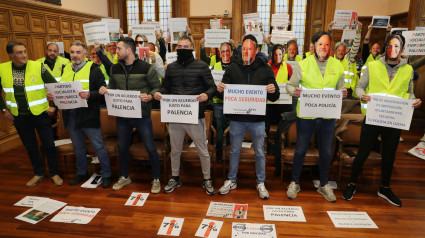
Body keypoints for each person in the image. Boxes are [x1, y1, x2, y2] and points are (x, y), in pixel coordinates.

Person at [342, 34, 422, 207]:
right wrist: (361, 95)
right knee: (362, 153)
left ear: (402, 49)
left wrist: (414, 100)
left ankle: (384, 187)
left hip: (394, 119)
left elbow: (410, 92)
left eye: (397, 47)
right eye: (390, 46)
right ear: (386, 47)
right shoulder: (373, 66)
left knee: (389, 156)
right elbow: (359, 86)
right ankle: (352, 184)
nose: (393, 50)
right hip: (374, 115)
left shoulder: (407, 69)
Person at [286, 31, 346, 202]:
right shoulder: (303, 64)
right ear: (313, 46)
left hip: (327, 115)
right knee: (301, 148)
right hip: (306, 115)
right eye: (320, 44)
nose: (324, 47)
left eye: (327, 44)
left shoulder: (337, 65)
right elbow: (289, 86)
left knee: (326, 151)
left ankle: (324, 184)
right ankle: (295, 182)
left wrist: (343, 93)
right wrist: (295, 92)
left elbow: (341, 90)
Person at [217, 35, 280, 200]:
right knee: (234, 151)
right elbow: (223, 95)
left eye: (250, 48)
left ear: (257, 50)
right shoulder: (232, 68)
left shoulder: (265, 69)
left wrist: (274, 90)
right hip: (237, 119)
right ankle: (231, 180)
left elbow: (275, 96)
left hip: (257, 121)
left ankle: (260, 182)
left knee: (259, 152)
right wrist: (221, 89)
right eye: (244, 48)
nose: (246, 51)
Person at [154, 36, 216, 195]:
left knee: (202, 150)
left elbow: (212, 87)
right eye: (179, 47)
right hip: (175, 116)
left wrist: (206, 95)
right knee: (175, 150)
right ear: (176, 49)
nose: (182, 49)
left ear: (192, 48)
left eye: (185, 46)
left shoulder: (202, 66)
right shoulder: (172, 68)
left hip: (195, 116)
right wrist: (159, 93)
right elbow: (166, 88)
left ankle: (207, 179)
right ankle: (175, 177)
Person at [99, 37, 162, 192]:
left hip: (142, 115)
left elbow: (157, 88)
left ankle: (156, 179)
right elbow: (112, 88)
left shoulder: (147, 68)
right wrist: (104, 90)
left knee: (150, 147)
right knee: (122, 147)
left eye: (119, 48)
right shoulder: (114, 69)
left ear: (128, 50)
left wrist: (150, 96)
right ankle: (125, 176)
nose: (116, 51)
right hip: (122, 115)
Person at [0, 41, 62, 187]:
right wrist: (4, 110)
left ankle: (54, 173)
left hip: (40, 114)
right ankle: (38, 173)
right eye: (19, 52)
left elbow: (55, 87)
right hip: (19, 116)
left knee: (49, 145)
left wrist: (54, 106)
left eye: (24, 51)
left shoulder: (38, 67)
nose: (24, 55)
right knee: (31, 146)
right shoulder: (2, 69)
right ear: (10, 55)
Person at [58, 41, 112, 188]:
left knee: (98, 146)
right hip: (71, 115)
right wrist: (54, 95)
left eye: (78, 52)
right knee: (78, 147)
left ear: (85, 54)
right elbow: (63, 89)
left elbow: (103, 92)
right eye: (72, 52)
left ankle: (107, 174)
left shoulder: (93, 69)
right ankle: (82, 172)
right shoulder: (66, 69)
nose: (75, 55)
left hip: (88, 114)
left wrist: (90, 94)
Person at [267, 44, 293, 175]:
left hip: (283, 105)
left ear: (283, 55)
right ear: (272, 54)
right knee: (264, 132)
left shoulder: (288, 67)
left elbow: (293, 84)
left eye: (280, 54)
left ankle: (278, 163)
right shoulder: (266, 66)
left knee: (280, 135)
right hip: (268, 105)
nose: (278, 57)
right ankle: (264, 159)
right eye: (276, 54)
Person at [211, 42, 234, 163]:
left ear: (231, 52)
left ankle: (229, 152)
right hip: (218, 102)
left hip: (232, 102)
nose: (225, 53)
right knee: (220, 127)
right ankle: (219, 154)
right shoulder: (215, 67)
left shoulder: (235, 66)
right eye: (223, 51)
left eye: (227, 51)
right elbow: (211, 85)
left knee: (231, 127)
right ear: (220, 53)